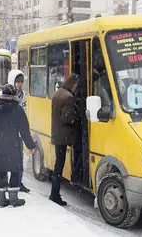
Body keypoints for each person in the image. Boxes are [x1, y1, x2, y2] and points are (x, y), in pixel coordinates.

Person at [0, 84, 36, 208]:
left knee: (1, 169)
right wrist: (30, 145)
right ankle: (14, 198)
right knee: (15, 169)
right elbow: (24, 130)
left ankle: (1, 200)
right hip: (13, 143)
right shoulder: (17, 109)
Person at [0, 69, 30, 193]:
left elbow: (24, 113)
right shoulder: (0, 97)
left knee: (18, 161)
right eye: (17, 81)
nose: (20, 84)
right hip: (5, 135)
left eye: (21, 82)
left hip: (15, 133)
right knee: (6, 163)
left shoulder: (22, 95)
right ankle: (7, 188)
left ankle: (17, 183)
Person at [50, 73, 81, 206]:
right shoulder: (69, 98)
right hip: (64, 135)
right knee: (60, 164)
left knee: (58, 164)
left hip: (57, 134)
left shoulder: (58, 93)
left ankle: (54, 192)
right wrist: (78, 113)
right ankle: (55, 194)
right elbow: (67, 118)